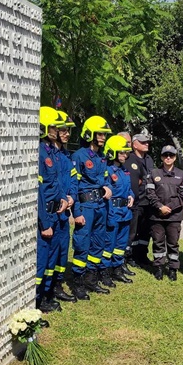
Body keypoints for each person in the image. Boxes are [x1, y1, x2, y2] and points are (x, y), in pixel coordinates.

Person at [70, 115, 113, 296]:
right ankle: (77, 282)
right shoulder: (79, 156)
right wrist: (77, 212)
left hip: (101, 206)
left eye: (104, 134)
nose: (103, 137)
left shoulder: (102, 157)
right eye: (100, 134)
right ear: (90, 134)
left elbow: (105, 179)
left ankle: (91, 278)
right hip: (86, 207)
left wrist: (108, 187)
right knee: (82, 243)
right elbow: (74, 186)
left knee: (97, 242)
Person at [34, 107, 66, 312]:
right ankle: (35, 303)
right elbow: (38, 190)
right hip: (45, 217)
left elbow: (56, 182)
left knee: (51, 261)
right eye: (53, 126)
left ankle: (45, 297)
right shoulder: (38, 152)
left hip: (55, 214)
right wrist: (45, 222)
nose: (56, 130)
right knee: (41, 263)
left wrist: (63, 198)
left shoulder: (53, 152)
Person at [51, 110, 85, 301]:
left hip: (64, 212)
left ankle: (57, 284)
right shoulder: (48, 154)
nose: (66, 134)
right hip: (52, 211)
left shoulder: (66, 155)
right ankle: (47, 288)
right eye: (62, 130)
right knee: (50, 253)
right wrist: (64, 196)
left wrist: (71, 197)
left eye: (67, 131)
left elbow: (73, 179)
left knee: (63, 251)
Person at [147, 145, 183, 281]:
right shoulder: (153, 173)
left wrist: (168, 207)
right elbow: (150, 193)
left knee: (173, 243)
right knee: (158, 242)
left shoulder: (182, 175)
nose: (168, 157)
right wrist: (160, 207)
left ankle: (173, 269)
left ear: (175, 157)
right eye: (165, 155)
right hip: (156, 215)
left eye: (171, 155)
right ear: (161, 157)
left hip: (174, 216)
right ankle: (159, 268)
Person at [103, 135, 135, 283]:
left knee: (120, 244)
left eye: (125, 152)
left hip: (125, 213)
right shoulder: (108, 170)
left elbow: (128, 189)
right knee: (109, 244)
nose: (124, 155)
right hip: (113, 212)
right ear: (112, 152)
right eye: (121, 152)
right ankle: (105, 272)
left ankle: (117, 268)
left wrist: (131, 196)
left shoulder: (125, 170)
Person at [124, 132, 154, 268]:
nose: (146, 144)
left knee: (145, 231)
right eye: (143, 142)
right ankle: (130, 256)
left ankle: (142, 255)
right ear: (134, 144)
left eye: (147, 142)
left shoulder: (149, 159)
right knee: (132, 231)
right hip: (136, 200)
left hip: (149, 201)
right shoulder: (129, 158)